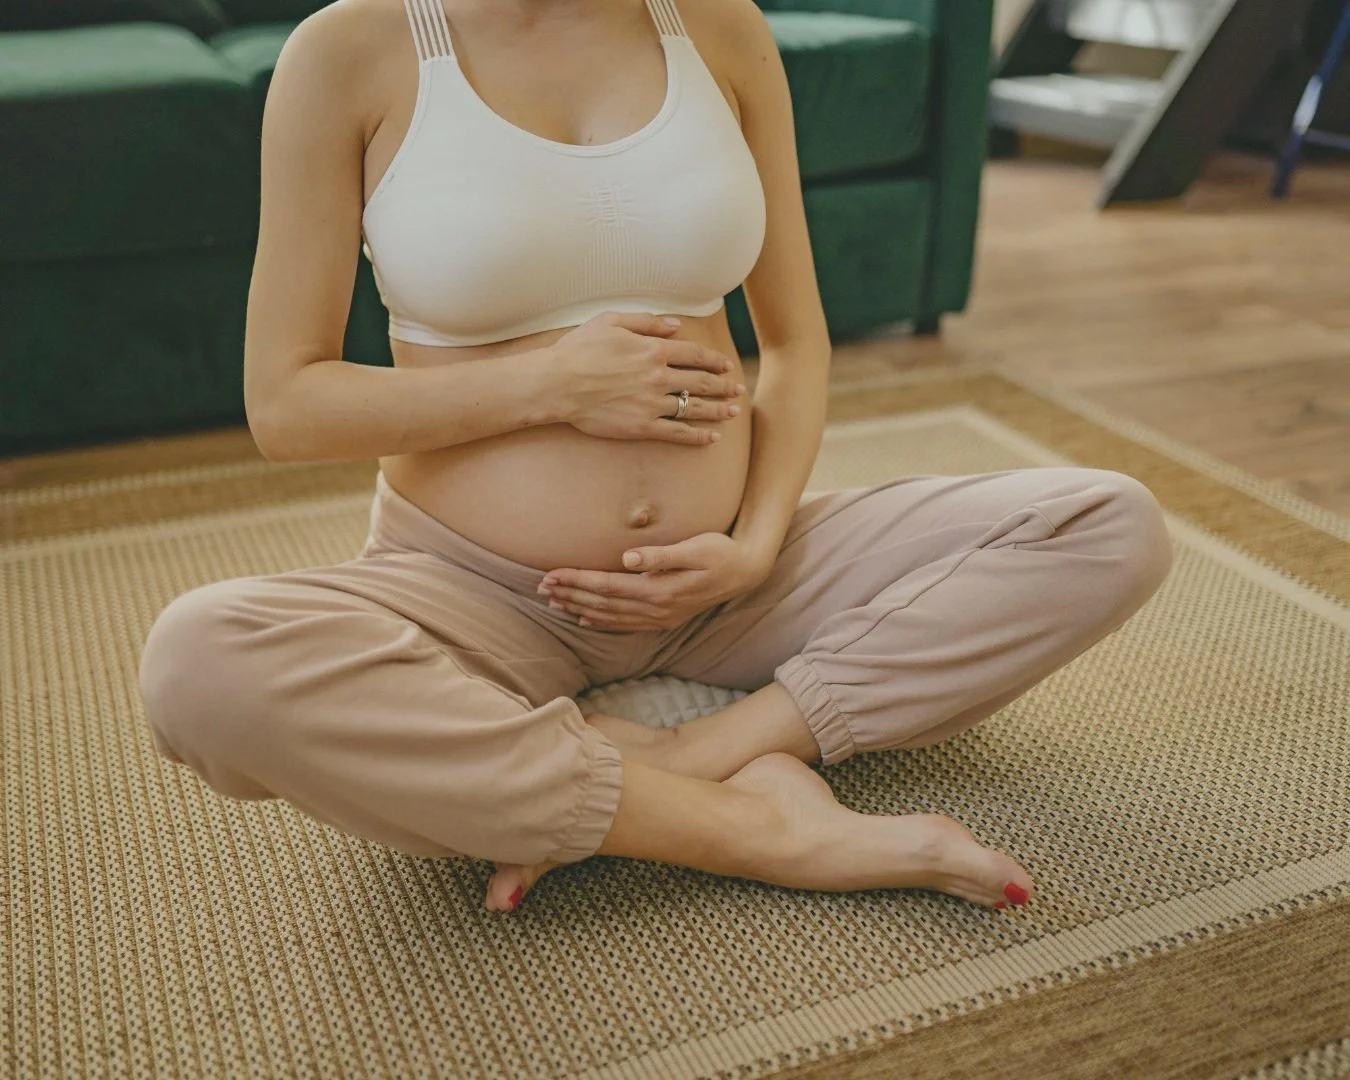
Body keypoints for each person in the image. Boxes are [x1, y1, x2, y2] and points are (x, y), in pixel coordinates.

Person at [138, 0, 1174, 915]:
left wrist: (759, 543)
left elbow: (798, 343)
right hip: (476, 595)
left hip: (730, 582)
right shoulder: (352, 49)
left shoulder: (718, 27)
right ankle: (761, 831)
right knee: (201, 663)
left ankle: (683, 752)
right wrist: (548, 383)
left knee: (1108, 526)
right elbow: (288, 405)